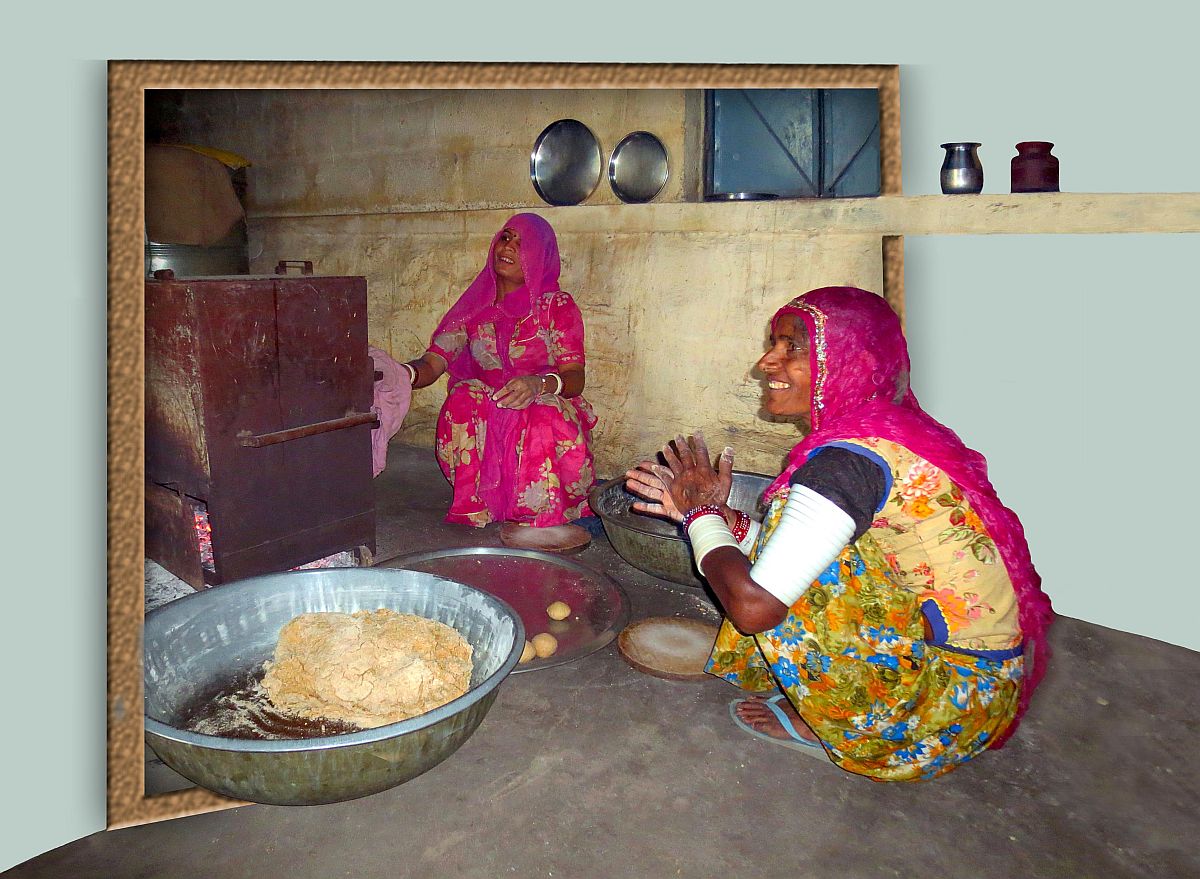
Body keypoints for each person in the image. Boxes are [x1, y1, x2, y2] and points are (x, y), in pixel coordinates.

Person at [625, 286, 1053, 782]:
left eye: (792, 349)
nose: (767, 362)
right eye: (774, 344)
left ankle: (846, 724)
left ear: (846, 361)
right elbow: (803, 547)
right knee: (799, 554)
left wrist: (699, 516)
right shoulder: (886, 430)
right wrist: (715, 516)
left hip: (942, 708)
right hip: (989, 682)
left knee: (785, 595)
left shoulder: (843, 464)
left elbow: (753, 608)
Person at [400, 213, 597, 546]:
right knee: (464, 396)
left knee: (542, 412)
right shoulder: (474, 309)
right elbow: (433, 364)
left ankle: (540, 514)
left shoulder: (555, 306)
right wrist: (395, 373)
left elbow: (575, 377)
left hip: (543, 402)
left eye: (523, 244)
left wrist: (540, 384)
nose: (509, 247)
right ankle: (479, 505)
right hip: (492, 410)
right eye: (506, 238)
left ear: (540, 257)